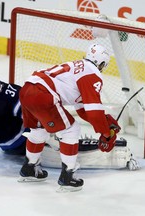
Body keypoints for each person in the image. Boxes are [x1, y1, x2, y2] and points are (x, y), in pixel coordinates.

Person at [17, 44, 121, 192]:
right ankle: (67, 177)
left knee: (39, 131)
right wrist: (106, 133)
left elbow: (83, 110)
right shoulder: (92, 74)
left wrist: (104, 120)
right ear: (102, 63)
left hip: (28, 88)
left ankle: (29, 168)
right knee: (71, 130)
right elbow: (93, 112)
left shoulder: (77, 66)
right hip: (44, 94)